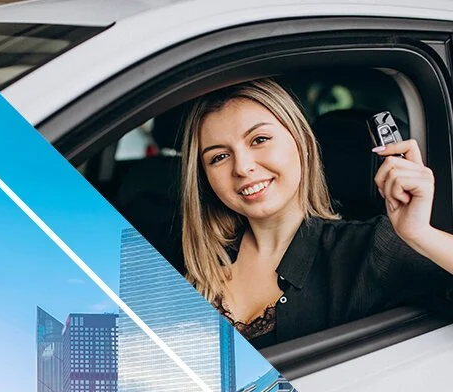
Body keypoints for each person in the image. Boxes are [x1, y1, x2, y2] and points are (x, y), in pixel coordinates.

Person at [179, 79, 453, 347]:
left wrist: (420, 234)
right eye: (219, 157)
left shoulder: (369, 250)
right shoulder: (191, 262)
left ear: (301, 143)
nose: (242, 167)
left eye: (259, 139)